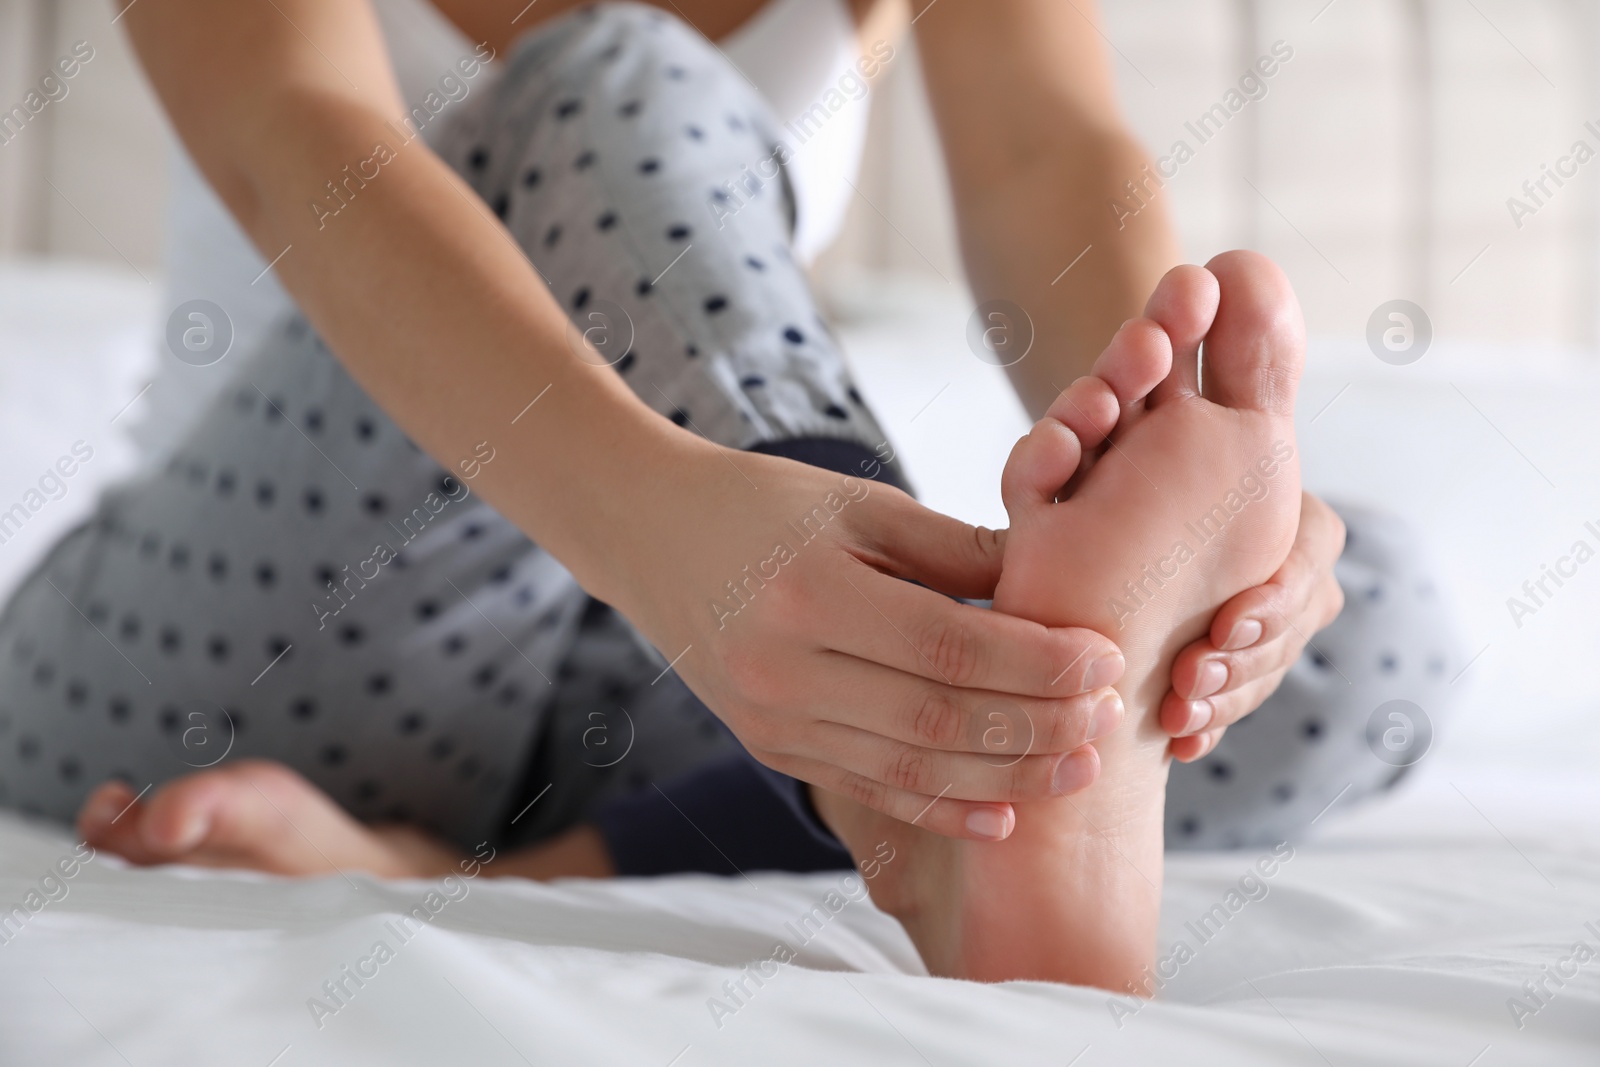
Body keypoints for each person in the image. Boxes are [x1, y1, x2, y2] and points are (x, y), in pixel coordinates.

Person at [0, 0, 1457, 987]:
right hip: (260, 643)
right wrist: (673, 527)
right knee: (613, 67)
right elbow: (298, 146)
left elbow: (1043, 157)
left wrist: (1155, 435)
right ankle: (890, 794)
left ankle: (524, 868)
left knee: (1359, 631)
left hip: (697, 680)